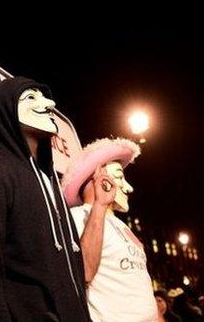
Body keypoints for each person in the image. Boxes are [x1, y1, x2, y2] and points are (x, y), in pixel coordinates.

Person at [0, 77, 89, 321]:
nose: (49, 103)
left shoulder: (50, 184)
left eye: (44, 96)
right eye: (31, 97)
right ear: (4, 109)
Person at [62, 137, 158, 321]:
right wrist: (99, 205)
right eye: (120, 177)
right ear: (98, 177)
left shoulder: (122, 225)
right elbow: (84, 273)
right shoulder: (76, 217)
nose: (128, 188)